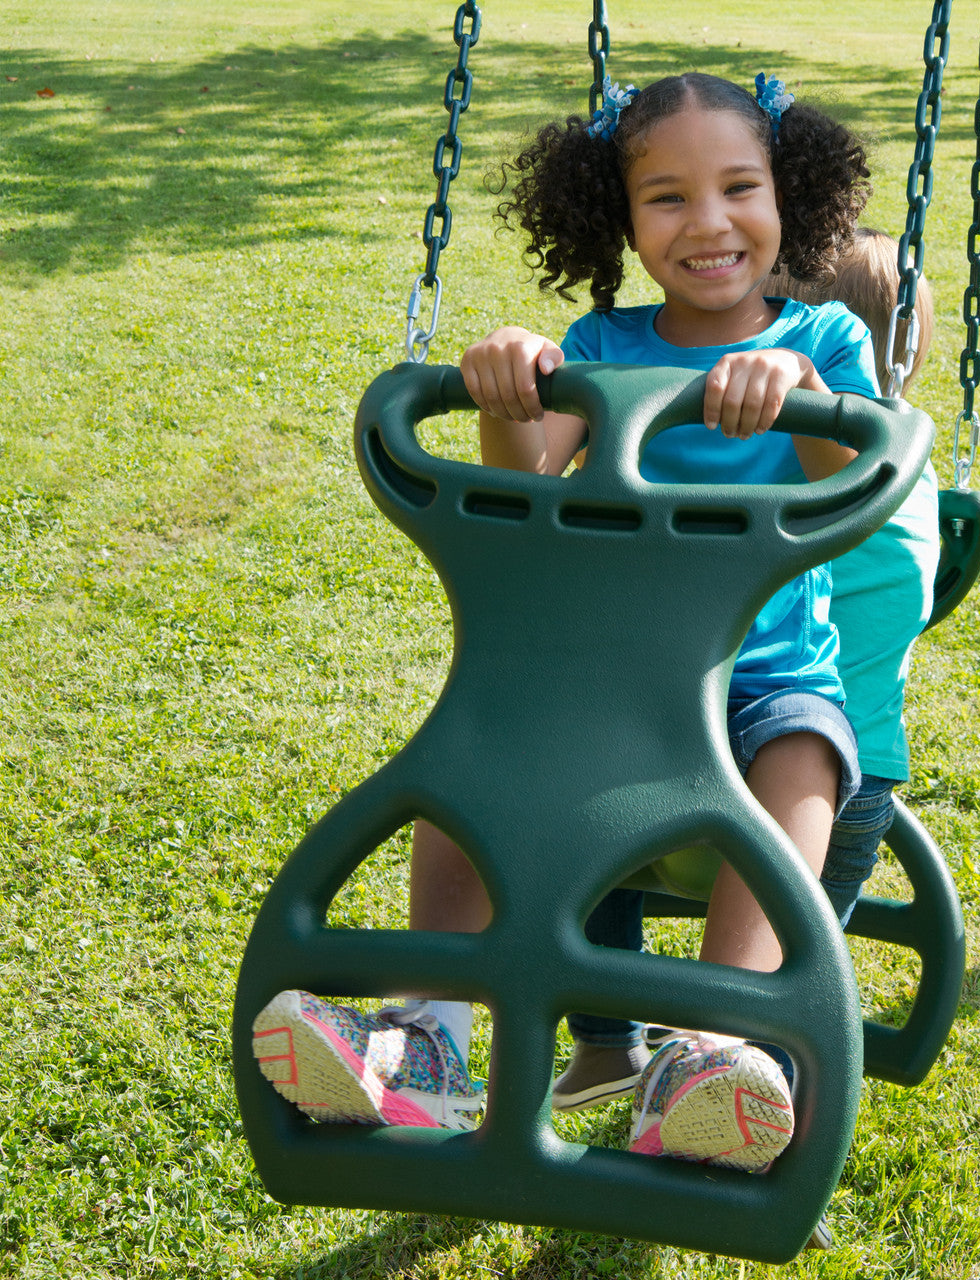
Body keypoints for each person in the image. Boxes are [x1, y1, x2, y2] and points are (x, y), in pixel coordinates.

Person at [253, 69, 880, 1174]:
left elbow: (856, 458)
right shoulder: (598, 344)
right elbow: (527, 484)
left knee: (803, 759)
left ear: (788, 196)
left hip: (760, 672)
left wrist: (794, 388)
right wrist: (512, 397)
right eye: (666, 198)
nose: (709, 223)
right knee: (468, 765)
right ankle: (425, 1046)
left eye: (739, 186)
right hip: (601, 678)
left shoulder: (822, 338)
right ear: (618, 217)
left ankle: (711, 1049)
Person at [551, 228, 939, 1114]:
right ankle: (759, 1095)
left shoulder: (810, 471)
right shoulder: (916, 500)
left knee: (598, 816)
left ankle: (610, 1039)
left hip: (692, 760)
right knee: (794, 973)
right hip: (842, 789)